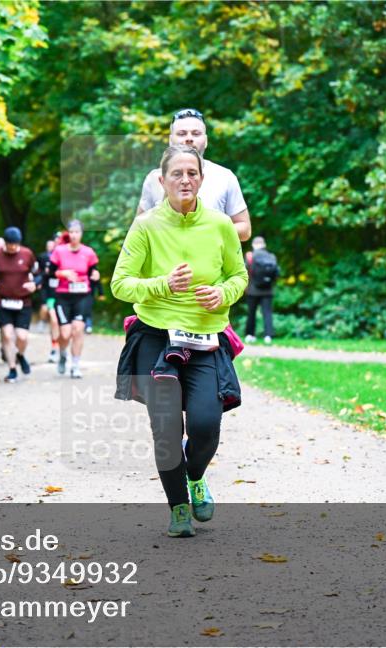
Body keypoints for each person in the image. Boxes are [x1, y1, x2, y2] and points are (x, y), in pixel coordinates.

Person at [112, 145, 247, 538]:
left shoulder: (221, 225)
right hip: (156, 337)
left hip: (205, 338)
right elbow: (120, 283)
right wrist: (162, 284)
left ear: (202, 179)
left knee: (206, 424)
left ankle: (196, 477)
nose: (185, 179)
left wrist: (222, 294)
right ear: (162, 181)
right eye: (177, 174)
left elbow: (238, 276)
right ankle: (178, 509)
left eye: (192, 173)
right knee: (166, 428)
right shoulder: (147, 225)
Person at [137, 108, 251, 242]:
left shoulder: (225, 177)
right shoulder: (154, 178)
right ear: (170, 140)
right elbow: (138, 230)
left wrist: (209, 230)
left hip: (211, 260)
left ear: (206, 140)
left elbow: (245, 230)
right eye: (182, 133)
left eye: (196, 134)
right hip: (167, 260)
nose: (189, 138)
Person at [0, 227, 37, 383]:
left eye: (15, 244)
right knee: (7, 335)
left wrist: (35, 283)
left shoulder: (27, 254)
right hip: (2, 301)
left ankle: (20, 355)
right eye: (9, 244)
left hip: (23, 302)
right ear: (5, 243)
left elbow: (39, 272)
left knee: (22, 336)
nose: (12, 247)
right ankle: (12, 369)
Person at [50, 220, 100, 379]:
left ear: (81, 234)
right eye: (71, 232)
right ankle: (63, 354)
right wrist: (62, 273)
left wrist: (96, 276)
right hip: (63, 296)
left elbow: (94, 273)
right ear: (68, 233)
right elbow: (49, 274)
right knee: (65, 334)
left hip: (83, 296)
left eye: (77, 232)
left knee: (78, 329)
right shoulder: (59, 251)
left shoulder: (88, 252)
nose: (73, 235)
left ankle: (75, 365)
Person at [244, 236, 278, 344]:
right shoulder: (271, 256)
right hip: (268, 290)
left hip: (253, 290)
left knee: (251, 313)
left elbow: (245, 272)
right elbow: (276, 273)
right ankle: (268, 336)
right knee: (267, 313)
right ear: (264, 245)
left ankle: (250, 335)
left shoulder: (250, 256)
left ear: (254, 245)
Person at [37, 238, 63, 362]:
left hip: (66, 296)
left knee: (65, 328)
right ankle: (54, 349)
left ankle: (63, 351)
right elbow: (41, 274)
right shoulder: (48, 259)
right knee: (54, 321)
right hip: (51, 295)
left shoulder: (68, 257)